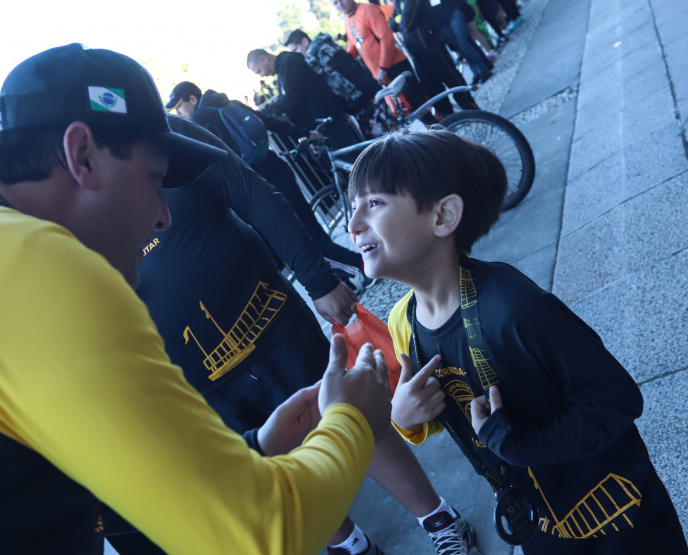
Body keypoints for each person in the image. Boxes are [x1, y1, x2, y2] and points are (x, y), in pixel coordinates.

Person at [0, 43, 396, 555]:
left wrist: (255, 450)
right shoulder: (25, 267)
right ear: (83, 155)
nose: (163, 217)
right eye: (155, 179)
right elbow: (262, 535)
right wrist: (352, 418)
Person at [112, 115, 480, 555]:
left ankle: (438, 516)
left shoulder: (157, 127)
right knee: (279, 457)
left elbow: (253, 194)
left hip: (270, 322)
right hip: (192, 381)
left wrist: (318, 280)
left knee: (353, 412)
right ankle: (352, 546)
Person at [346, 128, 688, 554]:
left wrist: (519, 444)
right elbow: (446, 406)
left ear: (443, 216)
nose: (353, 224)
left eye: (374, 203)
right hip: (536, 521)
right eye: (353, 206)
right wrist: (404, 417)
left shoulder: (515, 309)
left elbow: (616, 401)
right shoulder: (404, 322)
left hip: (617, 513)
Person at [165, 81, 366, 287]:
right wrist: (305, 133)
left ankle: (360, 264)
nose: (178, 113)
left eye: (179, 106)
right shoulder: (229, 103)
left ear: (192, 99)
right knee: (314, 231)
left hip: (262, 185)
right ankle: (344, 279)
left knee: (305, 239)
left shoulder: (199, 119)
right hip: (278, 169)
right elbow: (268, 121)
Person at [331, 0, 439, 124]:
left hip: (394, 65)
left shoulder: (368, 10)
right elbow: (353, 45)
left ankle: (440, 132)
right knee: (405, 110)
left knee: (418, 104)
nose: (340, 4)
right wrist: (338, 60)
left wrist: (383, 67)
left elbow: (387, 38)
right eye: (335, 3)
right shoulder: (347, 20)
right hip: (381, 74)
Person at [247, 48, 362, 149]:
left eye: (259, 71)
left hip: (329, 122)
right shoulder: (284, 67)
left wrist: (265, 112)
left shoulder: (288, 62)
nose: (261, 75)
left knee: (354, 158)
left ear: (264, 59)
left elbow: (291, 98)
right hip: (323, 123)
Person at [389, 0, 481, 115]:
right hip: (416, 52)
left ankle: (471, 110)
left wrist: (398, 19)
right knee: (432, 89)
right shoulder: (398, 2)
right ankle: (449, 119)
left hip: (432, 45)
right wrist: (399, 20)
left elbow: (406, 23)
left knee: (451, 78)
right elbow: (392, 25)